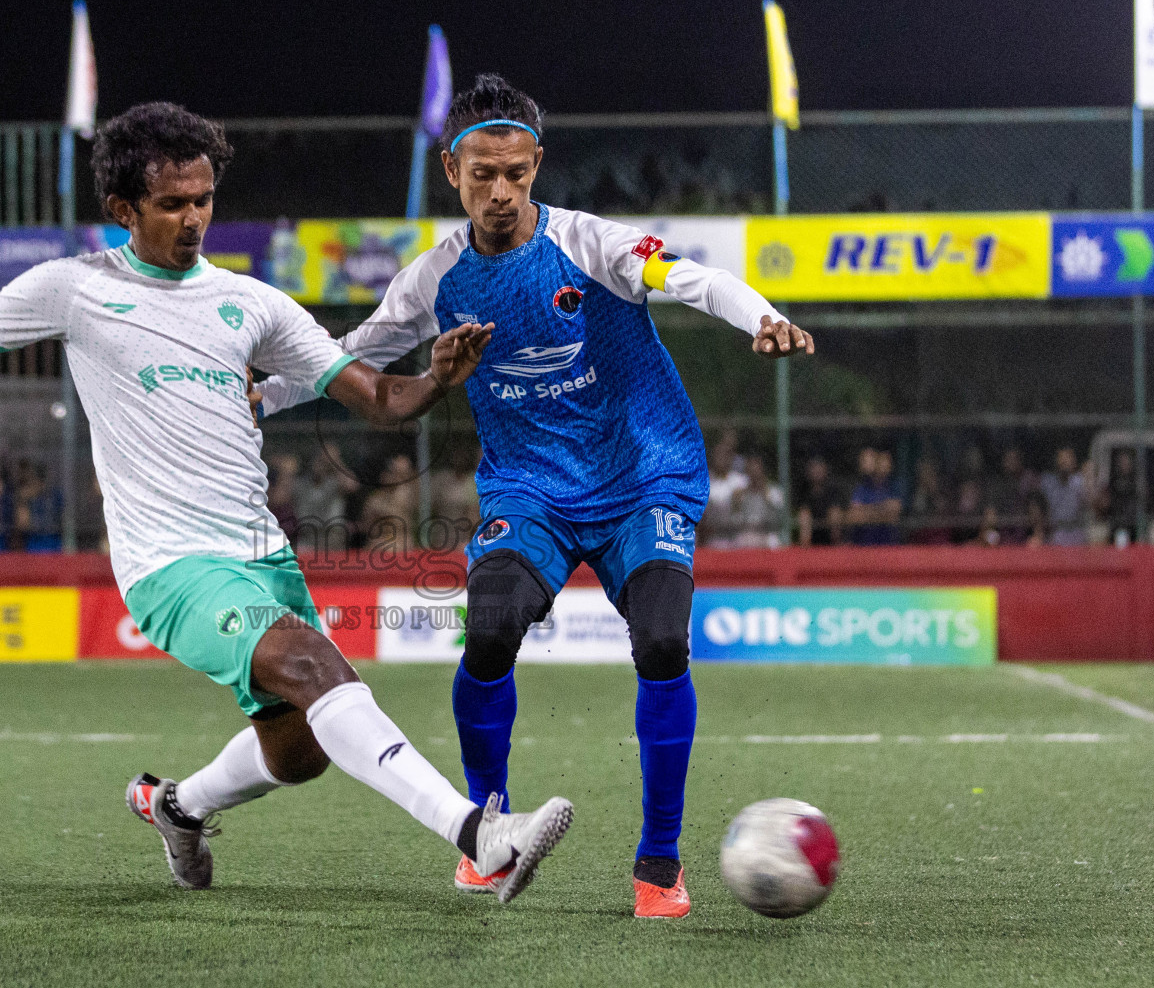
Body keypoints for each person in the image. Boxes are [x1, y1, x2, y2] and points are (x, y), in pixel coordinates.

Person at [0, 101, 571, 904]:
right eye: (172, 203)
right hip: (168, 565)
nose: (194, 218)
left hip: (260, 555)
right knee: (318, 669)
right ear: (123, 210)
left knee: (300, 748)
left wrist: (439, 379)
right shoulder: (76, 288)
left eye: (203, 198)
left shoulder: (249, 303)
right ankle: (481, 837)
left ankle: (176, 806)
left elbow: (380, 396)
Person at [256, 75, 813, 918]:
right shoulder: (433, 280)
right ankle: (489, 834)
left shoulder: (592, 244)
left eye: (517, 172)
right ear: (453, 170)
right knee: (489, 629)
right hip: (531, 489)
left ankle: (658, 865)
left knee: (662, 642)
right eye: (483, 173)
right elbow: (348, 360)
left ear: (537, 164)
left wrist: (760, 316)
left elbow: (689, 277)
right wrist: (255, 398)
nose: (501, 191)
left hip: (643, 475)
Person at [847, 448, 902, 545]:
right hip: (863, 545)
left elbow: (893, 515)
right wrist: (882, 511)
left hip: (888, 545)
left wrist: (866, 512)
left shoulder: (894, 487)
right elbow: (855, 517)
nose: (884, 466)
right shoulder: (862, 488)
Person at [1039, 447, 1088, 546]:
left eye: (1067, 458)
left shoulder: (1080, 481)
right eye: (1062, 458)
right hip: (1056, 532)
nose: (1064, 462)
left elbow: (1091, 503)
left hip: (1076, 531)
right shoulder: (1047, 481)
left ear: (1073, 461)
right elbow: (1039, 507)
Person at [796, 455, 845, 546]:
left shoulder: (832, 490)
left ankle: (836, 545)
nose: (816, 471)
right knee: (804, 516)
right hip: (813, 534)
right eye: (814, 468)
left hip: (829, 533)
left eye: (819, 468)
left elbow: (836, 510)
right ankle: (805, 549)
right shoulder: (804, 491)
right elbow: (804, 511)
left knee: (835, 514)